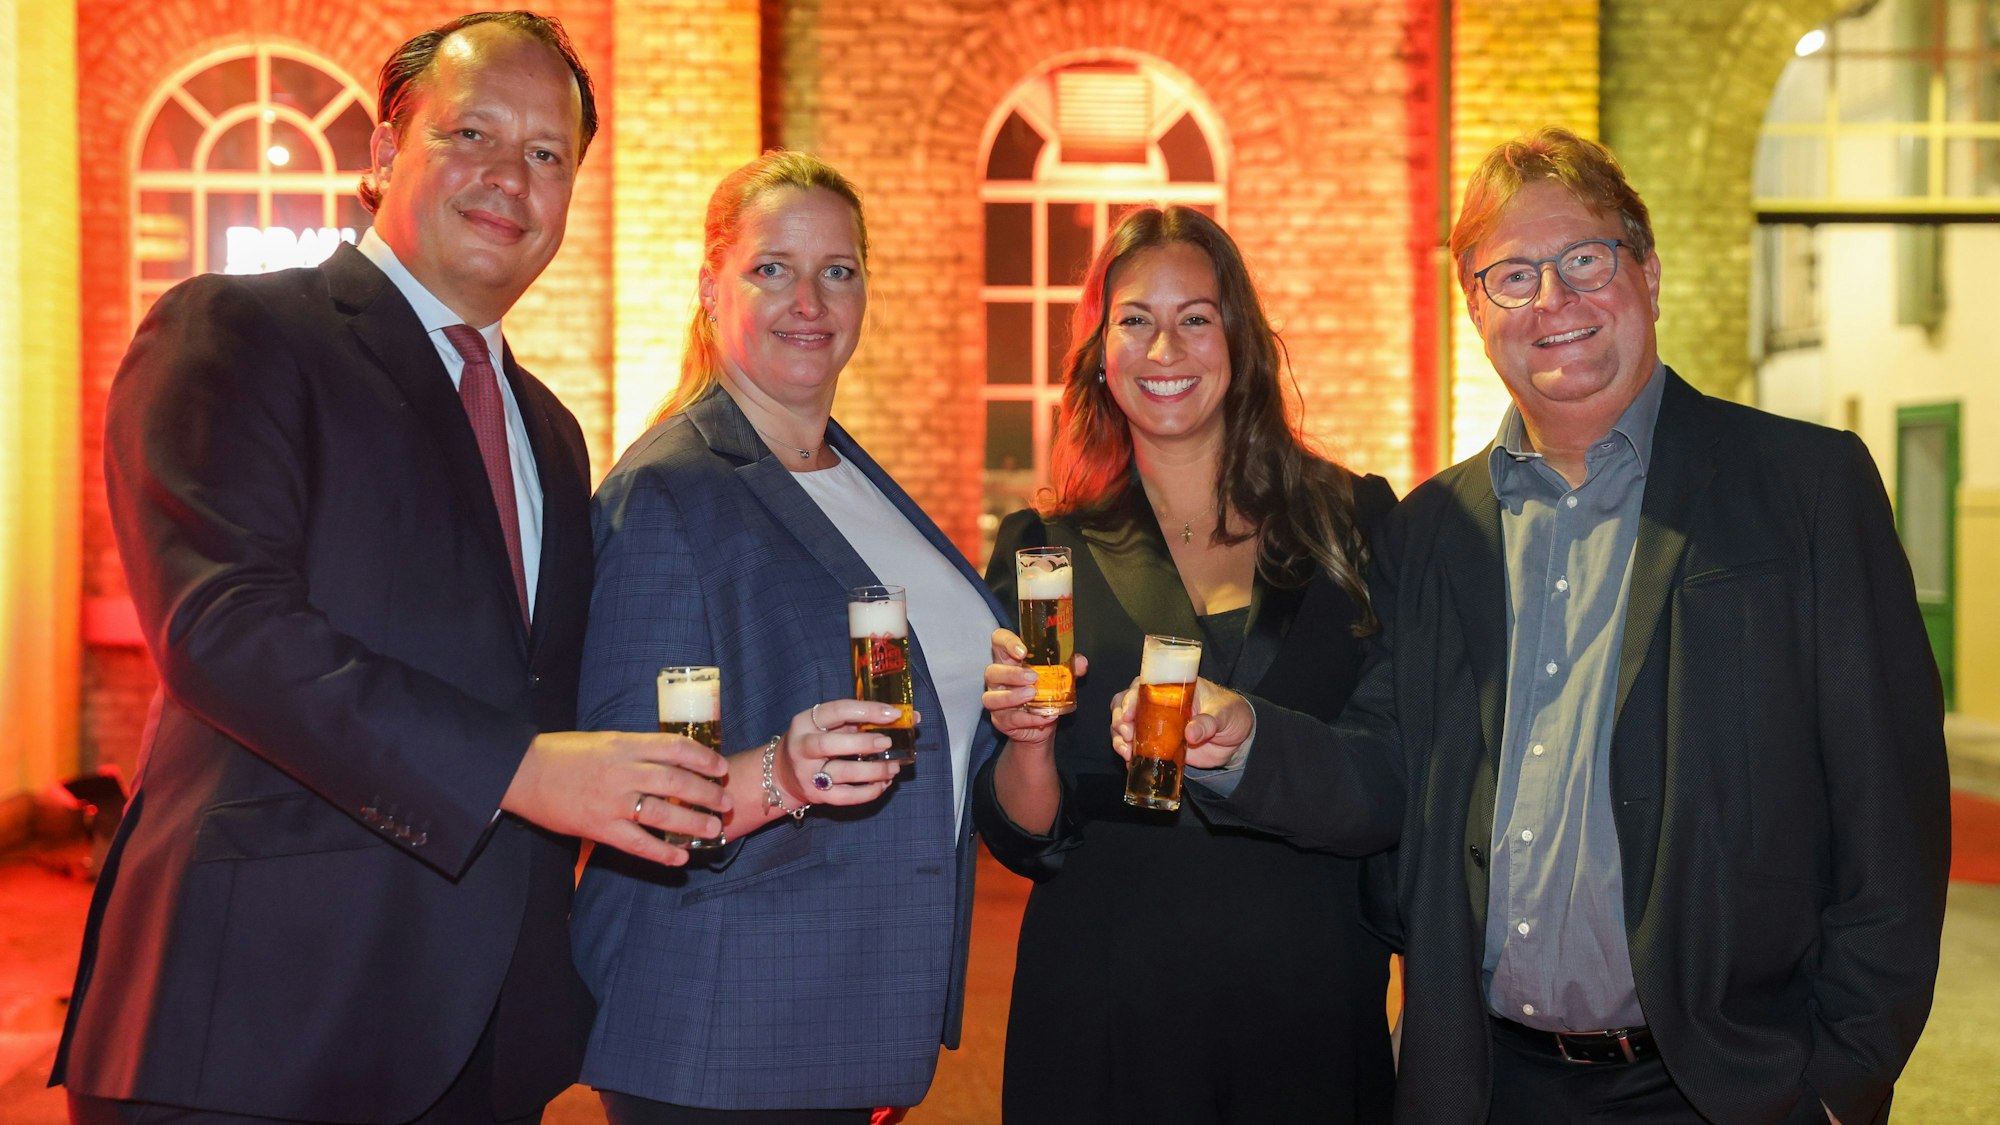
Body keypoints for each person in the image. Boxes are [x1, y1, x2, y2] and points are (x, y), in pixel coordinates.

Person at [1123, 127, 1951, 1124]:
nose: (1550, 303)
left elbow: (1888, 815)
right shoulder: (1432, 531)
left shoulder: (1803, 490)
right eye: (1509, 275)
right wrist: (1247, 743)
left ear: (1644, 270)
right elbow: (1387, 765)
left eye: (1582, 261)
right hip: (1487, 1086)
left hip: (1726, 1088)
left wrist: (1838, 1082)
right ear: (1473, 309)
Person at [54, 13, 735, 1123]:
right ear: (381, 155)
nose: (509, 175)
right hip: (264, 1020)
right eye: (472, 132)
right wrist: (520, 771)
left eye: (546, 153)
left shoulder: (552, 432)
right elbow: (224, 629)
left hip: (486, 1040)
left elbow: (554, 692)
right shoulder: (236, 329)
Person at [569, 150, 1005, 1123]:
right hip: (722, 1035)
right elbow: (635, 791)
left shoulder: (849, 477)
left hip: (843, 1016)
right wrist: (781, 772)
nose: (808, 298)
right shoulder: (669, 494)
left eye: (836, 269)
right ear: (709, 286)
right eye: (772, 267)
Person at [974, 205, 1397, 1124]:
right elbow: (1022, 836)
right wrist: (1028, 739)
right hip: (1108, 1012)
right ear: (1099, 348)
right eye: (1134, 319)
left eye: (1195, 317)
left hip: (1309, 1003)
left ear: (1237, 338)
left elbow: (1396, 773)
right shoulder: (1043, 552)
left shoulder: (1349, 523)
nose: (1165, 346)